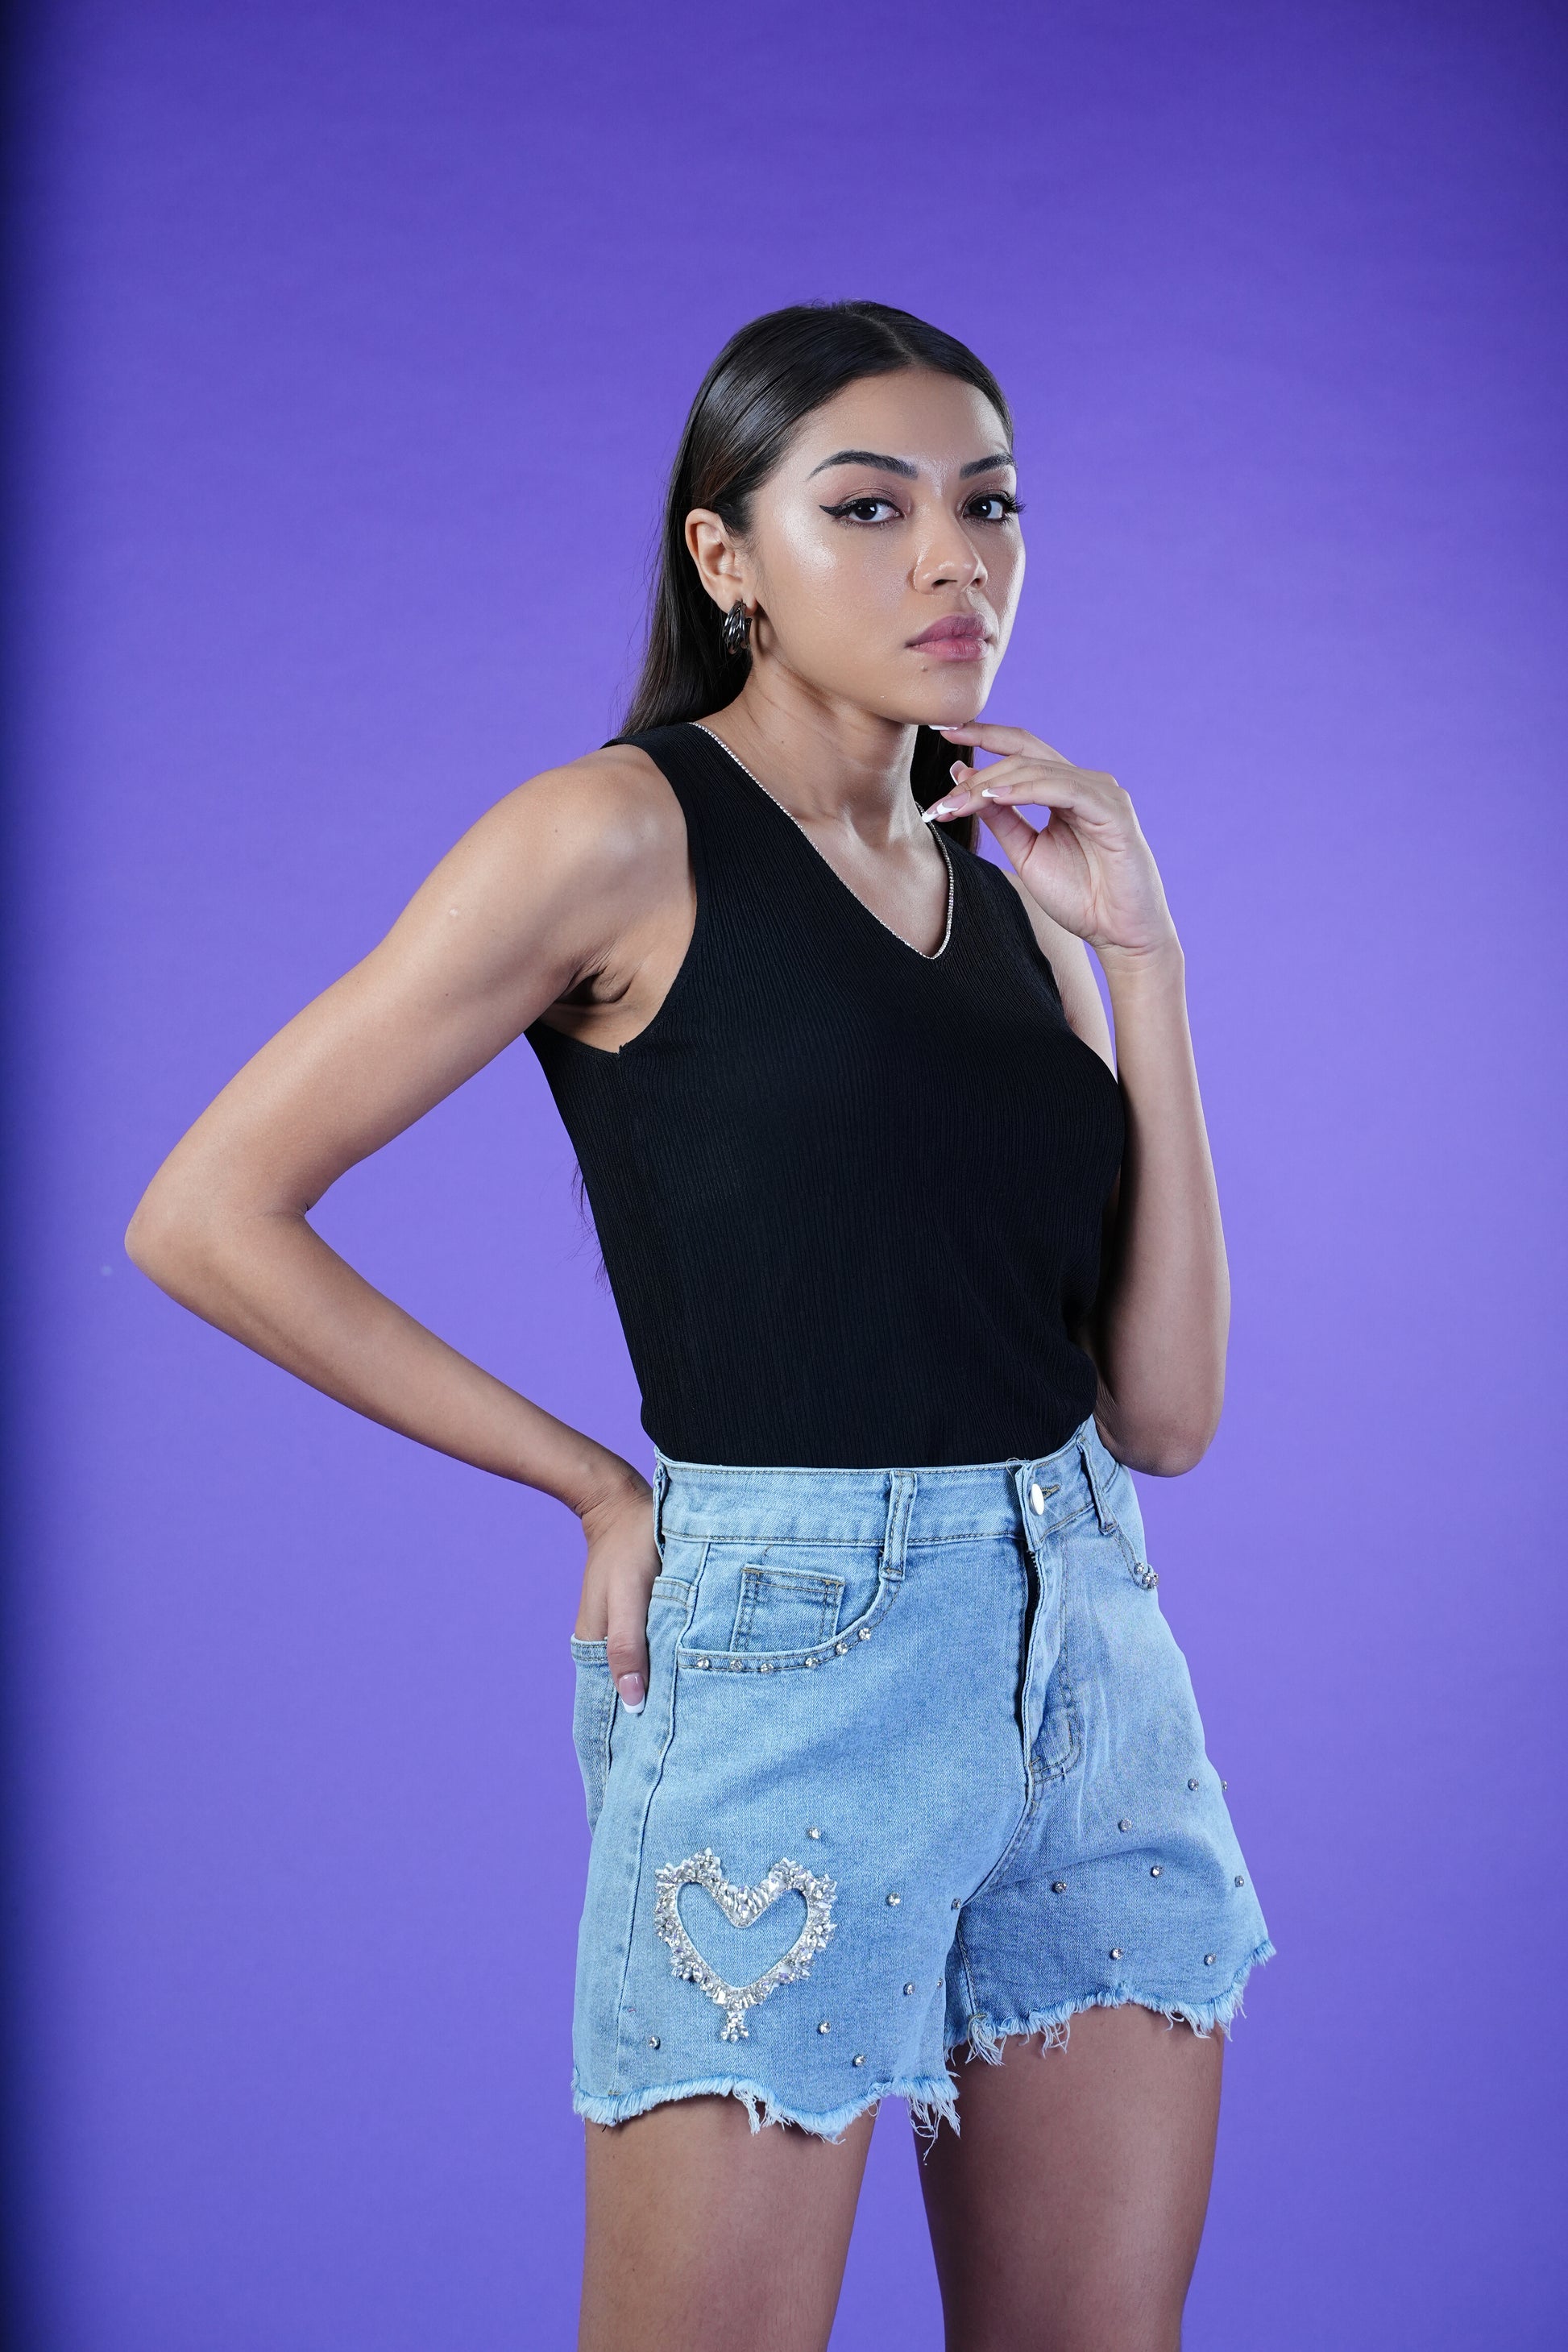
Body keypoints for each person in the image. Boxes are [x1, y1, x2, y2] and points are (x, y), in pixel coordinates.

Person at [127, 300, 1272, 2352]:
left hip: (1093, 1659)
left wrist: (1150, 962)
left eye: (990, 505)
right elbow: (207, 1210)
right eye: (870, 505)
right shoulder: (612, 834)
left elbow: (1166, 1411)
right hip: (793, 1665)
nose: (956, 561)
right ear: (723, 557)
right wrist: (586, 1480)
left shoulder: (1011, 877)